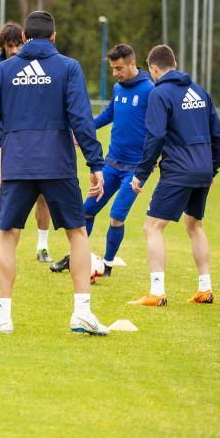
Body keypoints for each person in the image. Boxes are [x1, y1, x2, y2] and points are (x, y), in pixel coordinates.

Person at [0, 10, 108, 335]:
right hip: (57, 164)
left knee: (8, 236)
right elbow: (81, 117)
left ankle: (3, 316)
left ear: (22, 38)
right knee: (77, 233)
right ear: (54, 37)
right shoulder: (68, 67)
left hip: (18, 163)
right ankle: (82, 313)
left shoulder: (5, 70)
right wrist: (95, 163)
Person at [129, 45, 220, 306]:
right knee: (194, 226)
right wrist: (212, 167)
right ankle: (205, 289)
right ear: (175, 62)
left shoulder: (160, 94)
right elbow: (219, 135)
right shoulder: (199, 91)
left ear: (154, 69)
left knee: (152, 227)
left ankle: (157, 291)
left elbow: (156, 135)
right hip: (202, 169)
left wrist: (141, 172)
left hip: (178, 171)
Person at [50, 44, 154, 276]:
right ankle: (76, 258)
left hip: (134, 170)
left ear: (132, 63)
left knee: (117, 216)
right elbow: (109, 115)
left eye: (118, 68)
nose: (115, 73)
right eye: (113, 68)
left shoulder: (150, 90)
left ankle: (106, 265)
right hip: (112, 164)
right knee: (86, 210)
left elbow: (160, 128)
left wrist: (155, 158)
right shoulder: (118, 88)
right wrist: (82, 130)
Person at [0, 22, 53, 263]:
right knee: (0, 188)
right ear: (3, 45)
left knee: (42, 193)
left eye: (18, 44)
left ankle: (42, 246)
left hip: (32, 138)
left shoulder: (36, 67)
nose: (15, 50)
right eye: (10, 46)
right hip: (0, 138)